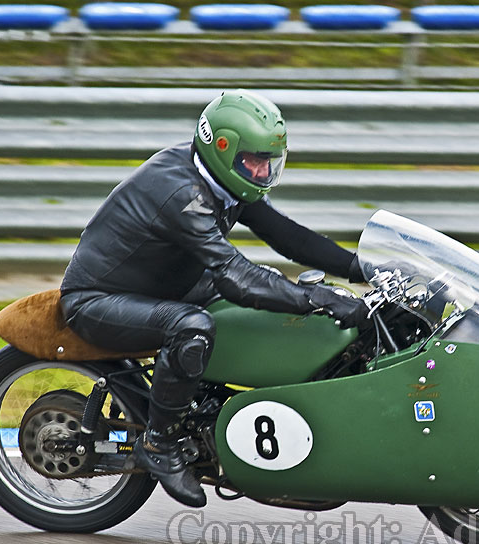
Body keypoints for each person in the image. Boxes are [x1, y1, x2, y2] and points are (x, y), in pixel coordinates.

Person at [59, 89, 368, 508]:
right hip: (99, 299)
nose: (261, 171)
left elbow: (286, 236)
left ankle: (211, 404)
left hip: (170, 283)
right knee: (194, 326)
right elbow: (236, 277)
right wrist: (315, 300)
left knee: (273, 291)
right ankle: (160, 443)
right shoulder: (180, 193)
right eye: (253, 161)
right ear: (223, 149)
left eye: (267, 161)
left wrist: (360, 269)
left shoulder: (223, 180)